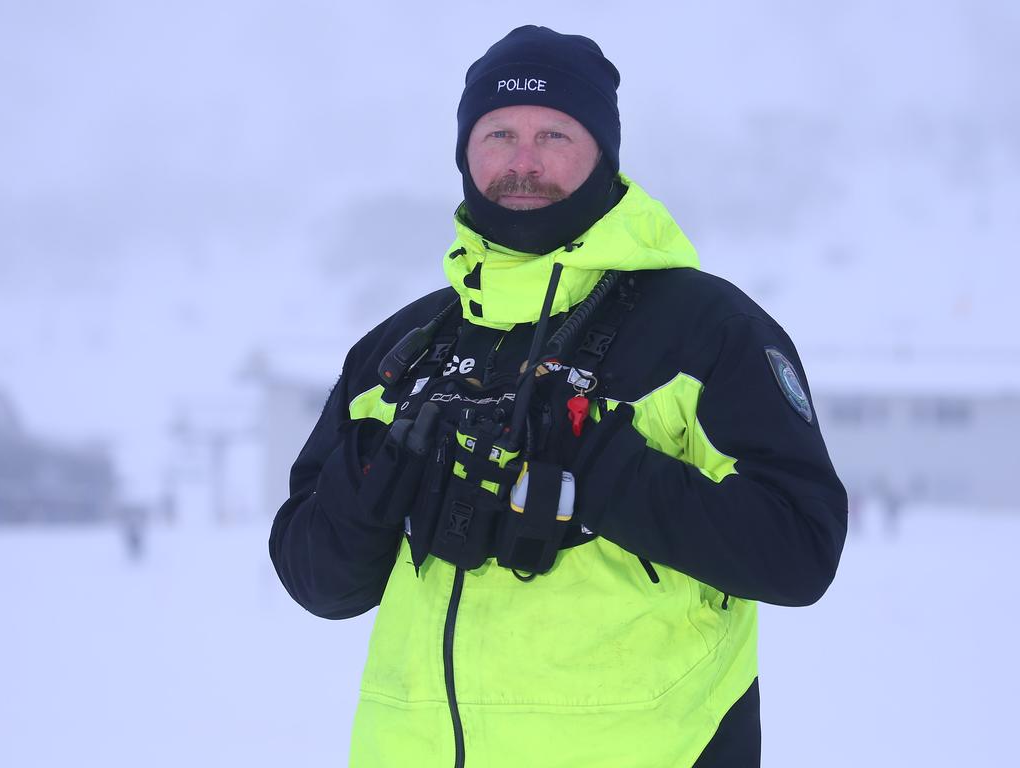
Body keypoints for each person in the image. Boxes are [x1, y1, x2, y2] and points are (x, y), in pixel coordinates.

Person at [270, 25, 847, 768]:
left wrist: (603, 471)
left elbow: (800, 549)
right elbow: (319, 585)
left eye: (554, 134)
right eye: (499, 132)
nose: (523, 161)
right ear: (464, 153)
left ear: (601, 153)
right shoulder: (400, 352)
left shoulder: (703, 330)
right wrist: (374, 490)